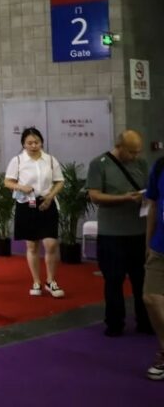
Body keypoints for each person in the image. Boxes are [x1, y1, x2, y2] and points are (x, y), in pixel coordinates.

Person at [86, 131, 151, 336]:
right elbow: (95, 196)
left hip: (139, 232)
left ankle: (146, 321)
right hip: (112, 233)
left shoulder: (141, 164)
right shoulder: (99, 164)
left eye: (137, 151)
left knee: (141, 279)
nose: (135, 155)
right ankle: (115, 323)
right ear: (119, 146)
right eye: (131, 152)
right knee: (114, 280)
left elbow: (150, 190)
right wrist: (124, 198)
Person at [4, 127, 66, 297]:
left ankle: (51, 281)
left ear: (41, 142)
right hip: (26, 204)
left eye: (36, 142)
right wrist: (21, 187)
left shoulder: (50, 160)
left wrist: (50, 197)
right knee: (32, 245)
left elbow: (60, 181)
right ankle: (36, 281)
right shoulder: (18, 160)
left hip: (47, 202)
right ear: (23, 144)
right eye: (29, 143)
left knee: (51, 243)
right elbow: (7, 182)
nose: (33, 145)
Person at [144, 155, 164, 380]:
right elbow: (153, 206)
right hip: (160, 246)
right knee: (151, 297)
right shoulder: (160, 166)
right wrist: (148, 243)